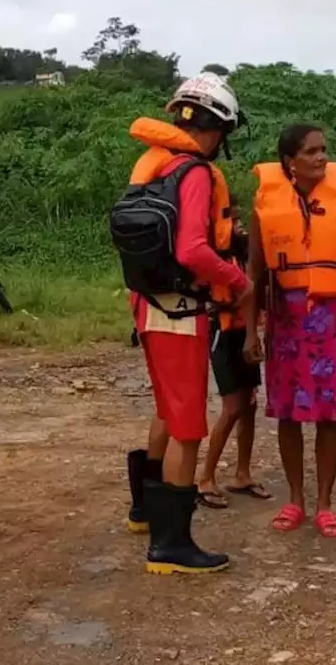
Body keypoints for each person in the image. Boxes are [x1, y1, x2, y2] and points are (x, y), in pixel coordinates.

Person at [118, 72, 250, 575]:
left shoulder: (156, 165)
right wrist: (237, 282)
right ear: (218, 130)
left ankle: (143, 514)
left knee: (168, 412)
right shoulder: (193, 173)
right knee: (189, 427)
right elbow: (192, 249)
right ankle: (171, 545)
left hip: (148, 306)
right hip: (180, 311)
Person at [242, 124, 336, 539]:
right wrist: (251, 332)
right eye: (312, 152)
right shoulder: (266, 205)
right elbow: (254, 273)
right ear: (290, 161)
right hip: (285, 320)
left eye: (324, 150)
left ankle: (324, 505)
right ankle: (295, 500)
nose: (322, 158)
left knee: (328, 413)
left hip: (330, 321)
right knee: (287, 412)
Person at [196, 198, 271, 509]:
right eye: (233, 223)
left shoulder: (242, 254)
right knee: (232, 407)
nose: (238, 228)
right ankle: (205, 478)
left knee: (250, 405)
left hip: (245, 332)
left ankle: (242, 474)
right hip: (223, 334)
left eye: (240, 222)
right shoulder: (211, 256)